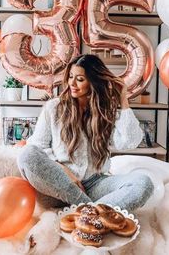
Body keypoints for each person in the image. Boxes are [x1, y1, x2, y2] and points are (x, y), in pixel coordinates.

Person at [17, 54, 154, 211]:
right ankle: (92, 210)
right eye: (70, 77)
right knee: (27, 154)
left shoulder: (105, 112)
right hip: (59, 185)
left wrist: (123, 99)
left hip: (96, 183)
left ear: (93, 82)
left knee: (143, 183)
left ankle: (85, 211)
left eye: (80, 79)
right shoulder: (54, 108)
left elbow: (130, 142)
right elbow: (38, 146)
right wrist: (65, 172)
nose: (72, 83)